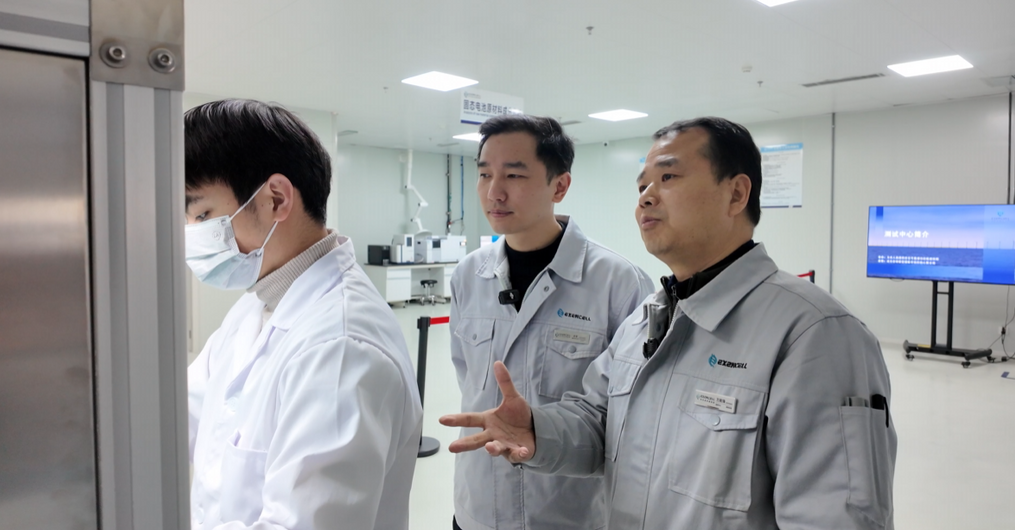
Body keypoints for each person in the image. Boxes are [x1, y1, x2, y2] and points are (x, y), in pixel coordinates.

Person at [442, 117, 898, 529]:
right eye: (642, 184)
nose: (646, 196)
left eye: (669, 177)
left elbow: (835, 515)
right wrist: (538, 430)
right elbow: (598, 422)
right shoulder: (647, 322)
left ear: (736, 194)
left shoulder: (814, 334)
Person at [184, 99, 422, 530]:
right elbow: (179, 415)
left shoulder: (342, 348)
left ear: (276, 198)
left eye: (202, 214)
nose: (192, 235)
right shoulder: (256, 305)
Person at [449, 113, 654, 530]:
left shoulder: (618, 283)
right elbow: (467, 377)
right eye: (485, 174)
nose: (494, 192)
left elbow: (631, 419)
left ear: (559, 186)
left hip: (567, 516)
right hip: (477, 511)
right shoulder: (469, 275)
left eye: (514, 175)